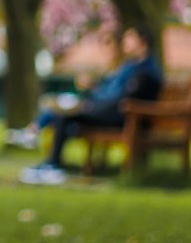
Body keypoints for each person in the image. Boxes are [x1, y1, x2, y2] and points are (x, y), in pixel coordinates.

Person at [19, 21, 163, 184]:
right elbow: (111, 92)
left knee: (66, 113)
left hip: (123, 118)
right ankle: (49, 159)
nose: (124, 42)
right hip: (112, 112)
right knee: (65, 112)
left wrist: (91, 103)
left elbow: (121, 99)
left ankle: (50, 161)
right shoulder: (132, 67)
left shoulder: (145, 71)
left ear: (142, 41)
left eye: (130, 38)